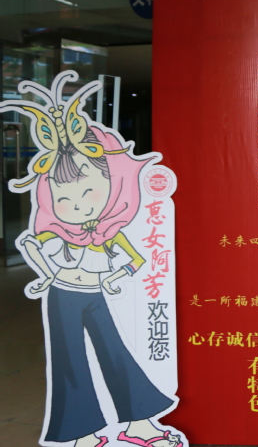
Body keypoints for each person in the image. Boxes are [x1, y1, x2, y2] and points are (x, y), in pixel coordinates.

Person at [2, 73, 182, 447]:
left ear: (112, 184)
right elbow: (32, 244)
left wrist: (114, 276)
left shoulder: (108, 231)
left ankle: (139, 424)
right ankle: (80, 434)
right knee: (69, 361)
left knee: (116, 351)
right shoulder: (57, 232)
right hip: (63, 294)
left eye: (89, 193)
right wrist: (48, 274)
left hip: (96, 292)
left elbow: (135, 259)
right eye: (65, 199)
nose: (79, 205)